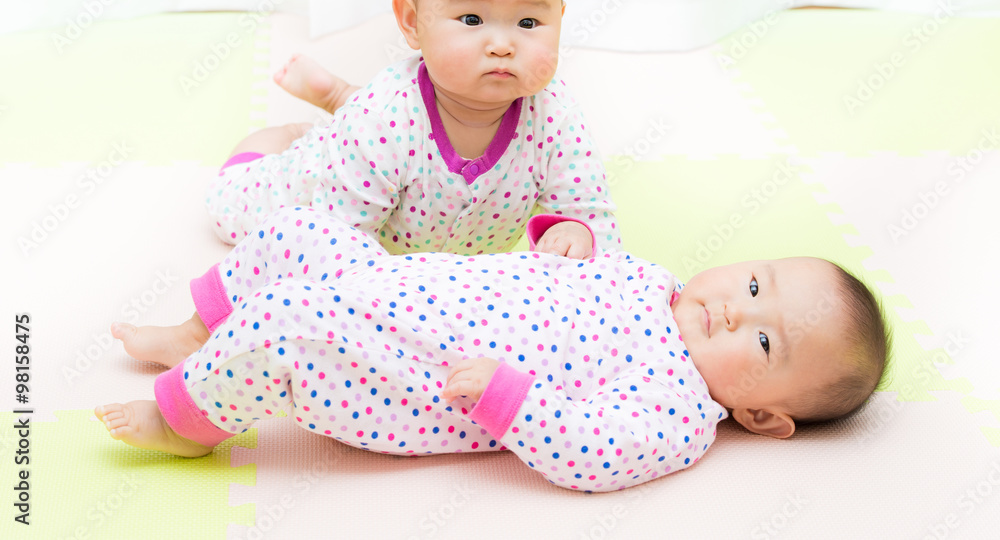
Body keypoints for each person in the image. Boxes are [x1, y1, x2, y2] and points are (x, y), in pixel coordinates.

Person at [96, 207, 890, 492]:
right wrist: (570, 237)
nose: (734, 309)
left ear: (763, 415)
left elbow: (594, 451)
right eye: (753, 283)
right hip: (399, 286)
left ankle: (187, 421)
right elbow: (582, 262)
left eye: (764, 339)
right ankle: (199, 333)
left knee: (290, 324)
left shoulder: (678, 410)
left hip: (413, 377)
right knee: (299, 231)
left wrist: (511, 399)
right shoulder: (656, 281)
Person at [207, 0, 619, 260]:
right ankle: (284, 137)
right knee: (229, 209)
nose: (502, 45)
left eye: (528, 23)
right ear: (411, 21)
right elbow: (335, 244)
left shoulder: (556, 116)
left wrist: (575, 231)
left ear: (560, 19)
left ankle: (338, 99)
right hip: (318, 186)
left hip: (418, 226)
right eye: (472, 19)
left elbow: (591, 213)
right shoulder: (381, 120)